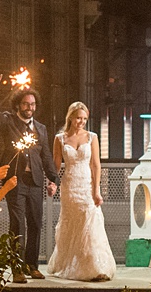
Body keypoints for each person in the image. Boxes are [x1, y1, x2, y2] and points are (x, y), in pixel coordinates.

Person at [0, 86, 57, 279]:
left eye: (33, 104)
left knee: (35, 223)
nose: (29, 107)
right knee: (17, 224)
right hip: (14, 181)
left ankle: (32, 265)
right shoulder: (8, 121)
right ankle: (17, 268)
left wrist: (54, 180)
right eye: (26, 104)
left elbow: (46, 157)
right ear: (18, 104)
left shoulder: (41, 128)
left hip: (35, 182)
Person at [46, 102, 116, 282]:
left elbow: (96, 165)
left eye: (84, 119)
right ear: (70, 117)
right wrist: (51, 183)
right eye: (78, 118)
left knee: (90, 222)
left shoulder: (92, 137)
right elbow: (55, 165)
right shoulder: (60, 139)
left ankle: (95, 266)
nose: (81, 122)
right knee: (72, 225)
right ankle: (69, 263)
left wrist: (97, 190)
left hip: (87, 184)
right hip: (69, 186)